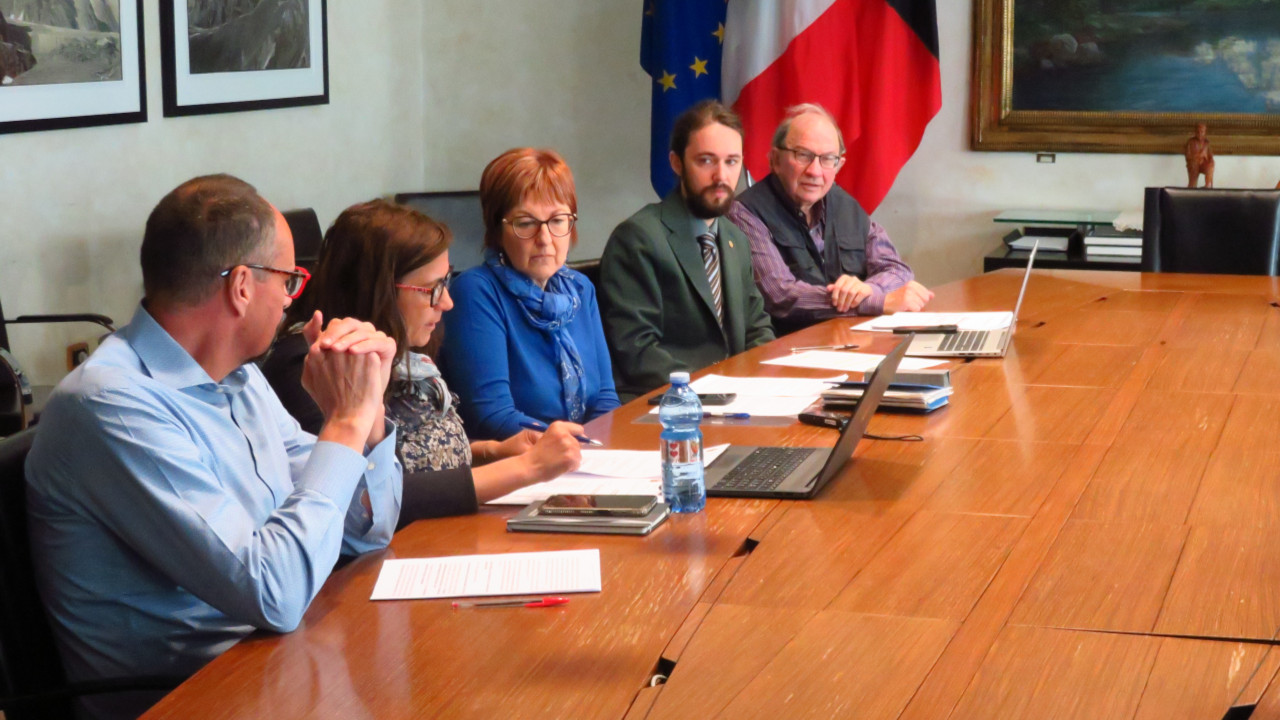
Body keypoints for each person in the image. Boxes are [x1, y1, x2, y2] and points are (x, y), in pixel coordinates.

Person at [24, 175, 403, 720]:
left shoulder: (239, 379)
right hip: (192, 698)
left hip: (277, 669)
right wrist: (342, 424)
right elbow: (275, 593)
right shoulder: (112, 407)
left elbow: (364, 531)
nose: (294, 301)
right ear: (242, 286)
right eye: (291, 281)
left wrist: (367, 415)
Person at [262, 199, 583, 511]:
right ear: (381, 290)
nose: (447, 303)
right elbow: (370, 496)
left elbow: (416, 458)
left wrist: (492, 451)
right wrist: (528, 468)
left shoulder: (405, 353)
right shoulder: (315, 362)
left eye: (446, 282)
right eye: (432, 289)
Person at [439, 149, 620, 440]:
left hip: (582, 460)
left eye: (558, 220)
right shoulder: (476, 291)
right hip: (515, 465)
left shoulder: (581, 288)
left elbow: (606, 399)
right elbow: (492, 416)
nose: (545, 239)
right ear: (497, 230)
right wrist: (572, 445)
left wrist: (599, 449)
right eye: (526, 223)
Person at [599, 99, 775, 400]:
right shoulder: (638, 238)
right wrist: (713, 388)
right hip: (667, 406)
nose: (721, 176)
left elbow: (756, 327)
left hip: (732, 400)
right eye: (706, 161)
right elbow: (638, 351)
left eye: (732, 161)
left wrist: (768, 379)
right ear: (676, 162)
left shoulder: (735, 238)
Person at [726, 103, 933, 335]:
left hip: (848, 342)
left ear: (838, 165)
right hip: (785, 352)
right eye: (803, 155)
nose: (815, 171)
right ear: (775, 159)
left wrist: (868, 289)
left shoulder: (846, 206)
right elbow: (780, 296)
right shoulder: (746, 212)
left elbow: (896, 268)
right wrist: (877, 302)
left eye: (827, 159)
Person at [1186, 122, 1214, 188]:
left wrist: (1211, 161)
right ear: (1195, 132)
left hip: (1203, 163)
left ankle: (1208, 185)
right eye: (1198, 132)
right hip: (1194, 163)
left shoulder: (1207, 143)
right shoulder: (1191, 142)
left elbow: (1210, 156)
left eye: (1202, 132)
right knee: (1194, 167)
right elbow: (1188, 156)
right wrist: (1198, 156)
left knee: (1210, 166)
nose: (1200, 134)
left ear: (1205, 132)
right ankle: (1192, 187)